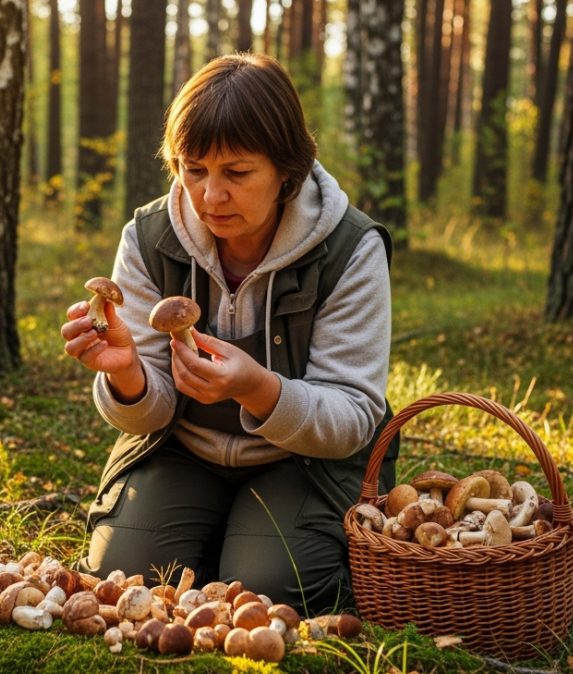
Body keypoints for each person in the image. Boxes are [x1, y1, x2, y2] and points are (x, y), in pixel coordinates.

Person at [60, 54, 399, 613]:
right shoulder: (148, 238)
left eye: (237, 173)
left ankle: (249, 543)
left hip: (303, 464)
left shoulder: (350, 249)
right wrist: (127, 374)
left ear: (286, 171)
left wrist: (258, 388)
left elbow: (355, 416)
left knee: (271, 592)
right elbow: (148, 415)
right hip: (180, 450)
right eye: (193, 169)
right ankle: (222, 534)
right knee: (120, 585)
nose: (210, 196)